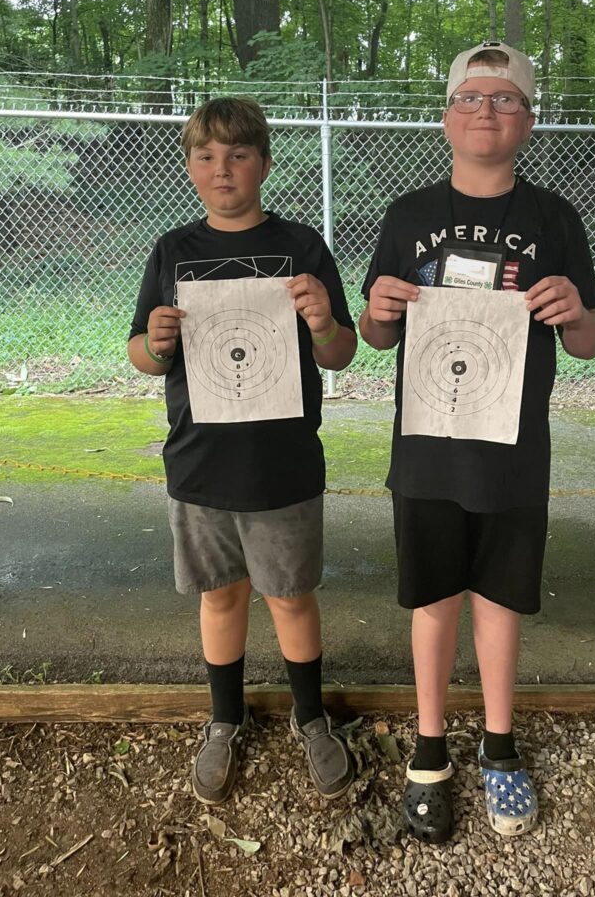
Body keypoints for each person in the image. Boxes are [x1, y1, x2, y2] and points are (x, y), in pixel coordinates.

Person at [359, 41, 595, 843]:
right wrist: (382, 310)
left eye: (506, 99)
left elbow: (590, 342)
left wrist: (575, 308)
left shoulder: (554, 219)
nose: (487, 111)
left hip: (512, 448)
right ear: (445, 118)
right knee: (433, 600)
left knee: (500, 599)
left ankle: (499, 749)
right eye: (471, 97)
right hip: (428, 444)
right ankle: (429, 751)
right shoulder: (408, 215)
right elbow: (372, 335)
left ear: (529, 121)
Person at [128, 97, 357, 805]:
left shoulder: (303, 246)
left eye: (237, 155)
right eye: (205, 156)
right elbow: (139, 352)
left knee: (290, 596)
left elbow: (342, 351)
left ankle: (311, 717)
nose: (221, 169)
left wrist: (322, 319)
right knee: (220, 597)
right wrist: (157, 342)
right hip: (199, 461)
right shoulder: (173, 250)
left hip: (282, 463)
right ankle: (225, 719)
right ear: (189, 166)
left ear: (263, 162)